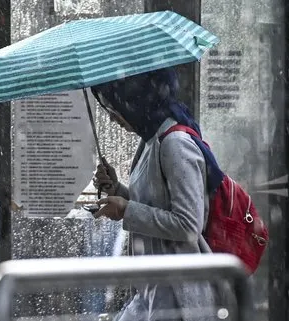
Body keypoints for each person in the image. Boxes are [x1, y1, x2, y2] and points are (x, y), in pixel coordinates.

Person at [90, 68, 224, 321]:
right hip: (153, 289)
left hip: (178, 297)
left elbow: (187, 225)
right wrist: (117, 190)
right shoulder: (151, 140)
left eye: (113, 108)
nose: (111, 119)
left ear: (135, 100)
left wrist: (126, 210)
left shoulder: (175, 144)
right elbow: (156, 204)